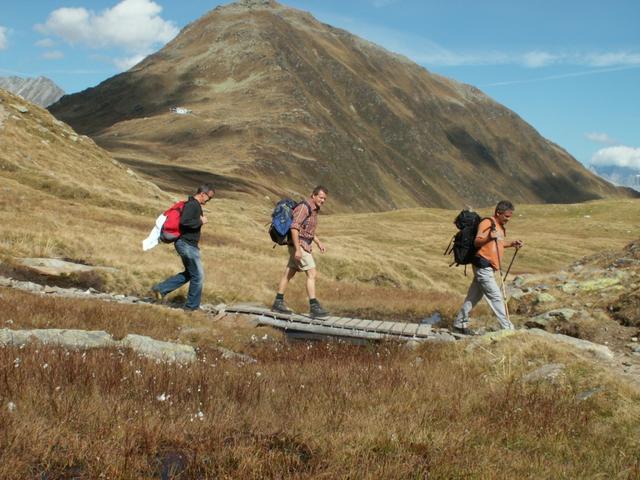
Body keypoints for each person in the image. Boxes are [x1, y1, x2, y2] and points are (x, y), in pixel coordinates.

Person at [453, 200, 524, 334]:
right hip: (482, 265)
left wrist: (512, 244)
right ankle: (508, 329)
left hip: (488, 267)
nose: (509, 219)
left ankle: (459, 323)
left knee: (473, 297)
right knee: (496, 296)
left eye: (510, 216)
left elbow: (498, 244)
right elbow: (477, 241)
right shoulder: (487, 223)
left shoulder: (500, 226)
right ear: (498, 213)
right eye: (507, 216)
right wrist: (489, 238)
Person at [152, 184, 215, 311]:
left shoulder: (193, 204)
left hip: (188, 245)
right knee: (198, 276)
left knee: (190, 274)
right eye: (209, 197)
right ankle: (191, 308)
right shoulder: (193, 205)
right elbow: (184, 222)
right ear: (203, 194)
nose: (209, 201)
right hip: (186, 245)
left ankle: (161, 289)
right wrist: (200, 221)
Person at [272, 186, 330, 318]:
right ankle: (314, 306)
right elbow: (294, 227)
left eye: (325, 198)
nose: (323, 200)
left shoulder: (314, 209)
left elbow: (308, 230)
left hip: (302, 245)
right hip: (300, 246)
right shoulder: (304, 207)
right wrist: (298, 249)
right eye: (321, 197)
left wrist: (318, 242)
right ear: (313, 195)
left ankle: (278, 302)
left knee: (289, 273)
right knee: (312, 273)